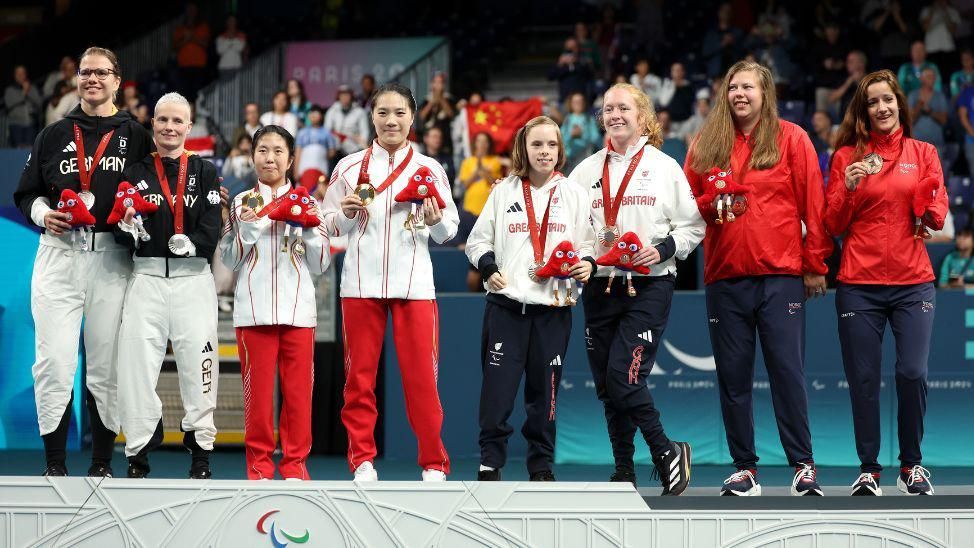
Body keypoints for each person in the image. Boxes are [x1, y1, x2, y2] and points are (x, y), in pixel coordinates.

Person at [685, 61, 832, 497]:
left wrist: (815, 265)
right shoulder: (706, 144)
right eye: (732, 87)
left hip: (780, 275)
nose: (739, 94)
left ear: (765, 92)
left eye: (747, 87)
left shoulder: (792, 138)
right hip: (725, 276)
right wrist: (711, 203)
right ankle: (745, 468)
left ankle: (803, 465)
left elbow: (814, 207)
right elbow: (688, 205)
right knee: (733, 377)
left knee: (787, 372)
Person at [12, 47, 152, 477]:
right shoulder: (53, 133)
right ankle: (55, 464)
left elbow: (151, 193)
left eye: (101, 72)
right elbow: (26, 192)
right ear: (77, 80)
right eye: (85, 72)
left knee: (106, 364)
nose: (92, 78)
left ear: (117, 80)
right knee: (53, 361)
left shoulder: (137, 134)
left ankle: (101, 465)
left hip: (111, 257)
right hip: (59, 255)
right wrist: (42, 213)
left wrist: (134, 221)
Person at [570, 83, 704, 494]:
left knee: (624, 377)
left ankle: (665, 451)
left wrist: (662, 248)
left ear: (643, 116)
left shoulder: (665, 167)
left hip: (648, 286)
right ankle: (624, 469)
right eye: (608, 108)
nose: (615, 115)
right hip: (599, 287)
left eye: (623, 108)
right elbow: (572, 229)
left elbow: (693, 226)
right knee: (609, 387)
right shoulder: (585, 170)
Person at [321, 83, 458, 481]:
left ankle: (434, 463)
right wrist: (345, 215)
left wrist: (435, 222)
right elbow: (327, 224)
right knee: (358, 379)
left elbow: (449, 229)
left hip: (414, 285)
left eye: (399, 112)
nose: (391, 120)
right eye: (383, 112)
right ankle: (362, 459)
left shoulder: (429, 168)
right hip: (360, 285)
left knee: (421, 380)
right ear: (372, 117)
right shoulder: (347, 167)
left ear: (412, 118)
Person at [825, 69, 948, 496]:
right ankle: (869, 469)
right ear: (864, 110)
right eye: (873, 101)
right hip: (858, 282)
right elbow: (833, 223)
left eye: (888, 100)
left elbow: (937, 212)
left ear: (899, 104)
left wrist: (930, 206)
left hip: (913, 282)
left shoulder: (924, 152)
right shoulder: (846, 158)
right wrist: (847, 186)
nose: (882, 107)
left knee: (912, 373)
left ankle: (911, 465)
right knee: (863, 379)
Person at [465, 116, 595, 481]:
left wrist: (587, 263)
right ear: (524, 148)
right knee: (497, 394)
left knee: (545, 396)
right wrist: (488, 266)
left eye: (551, 145)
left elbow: (588, 243)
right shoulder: (504, 191)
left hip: (553, 309)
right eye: (537, 144)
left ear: (560, 150)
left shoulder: (574, 194)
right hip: (506, 307)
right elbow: (477, 242)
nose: (544, 152)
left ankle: (540, 465)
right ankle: (491, 460)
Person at [115, 92, 222, 479]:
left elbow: (213, 220)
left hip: (193, 280)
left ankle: (200, 454)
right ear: (153, 124)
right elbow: (120, 223)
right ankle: (139, 449)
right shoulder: (135, 172)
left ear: (189, 126)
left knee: (200, 365)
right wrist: (127, 229)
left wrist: (194, 243)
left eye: (178, 121)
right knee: (135, 366)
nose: (169, 127)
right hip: (145, 279)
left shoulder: (205, 170)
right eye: (163, 120)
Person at [220, 125, 331, 480]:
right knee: (257, 400)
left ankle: (296, 466)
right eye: (263, 150)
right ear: (252, 157)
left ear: (291, 159)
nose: (270, 157)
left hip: (299, 311)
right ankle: (259, 468)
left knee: (299, 398)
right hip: (253, 312)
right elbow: (229, 259)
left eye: (278, 151)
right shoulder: (240, 203)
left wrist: (311, 230)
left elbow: (321, 263)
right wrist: (250, 228)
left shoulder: (310, 202)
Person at [459, 132, 503, 218]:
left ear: (489, 144)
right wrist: (477, 170)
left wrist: (481, 168)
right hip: (470, 208)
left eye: (485, 141)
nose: (482, 144)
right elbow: (465, 185)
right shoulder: (467, 161)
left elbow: (494, 183)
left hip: (488, 208)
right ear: (475, 143)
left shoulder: (495, 161)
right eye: (479, 141)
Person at [908, 68, 948, 159]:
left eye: (934, 76)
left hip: (936, 145)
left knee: (936, 172)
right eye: (929, 76)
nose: (932, 79)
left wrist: (931, 112)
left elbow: (944, 120)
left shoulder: (940, 96)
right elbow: (909, 120)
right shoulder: (913, 95)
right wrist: (918, 107)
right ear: (921, 79)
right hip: (917, 144)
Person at [294, 104, 338, 185]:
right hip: (304, 166)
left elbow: (332, 152)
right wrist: (296, 171)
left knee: (319, 188)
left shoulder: (327, 132)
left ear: (321, 116)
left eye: (316, 113)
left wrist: (320, 155)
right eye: (311, 113)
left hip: (322, 166)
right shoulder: (302, 132)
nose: (313, 115)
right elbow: (298, 152)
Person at [324, 85, 369, 158]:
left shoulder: (359, 111)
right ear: (338, 96)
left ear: (351, 96)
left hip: (354, 149)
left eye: (347, 94)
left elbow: (364, 132)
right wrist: (331, 146)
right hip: (336, 149)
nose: (344, 97)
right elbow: (327, 130)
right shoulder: (332, 111)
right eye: (342, 94)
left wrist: (360, 149)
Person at [560, 92, 601, 174]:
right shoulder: (567, 120)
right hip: (570, 160)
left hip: (586, 158)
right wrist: (571, 135)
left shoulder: (589, 119)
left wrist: (582, 135)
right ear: (571, 104)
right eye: (576, 102)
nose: (579, 104)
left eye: (581, 101)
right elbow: (561, 140)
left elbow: (596, 139)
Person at [5, 65, 43, 147]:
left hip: (31, 125)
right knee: (18, 150)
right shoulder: (10, 90)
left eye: (22, 73)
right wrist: (24, 93)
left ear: (25, 75)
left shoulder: (32, 88)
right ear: (15, 76)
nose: (20, 75)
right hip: (16, 125)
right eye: (18, 73)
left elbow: (39, 103)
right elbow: (9, 104)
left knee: (30, 150)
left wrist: (28, 92)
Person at [418, 72, 456, 152]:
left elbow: (451, 114)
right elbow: (422, 116)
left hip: (445, 138)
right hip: (429, 139)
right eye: (436, 82)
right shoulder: (426, 100)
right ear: (432, 84)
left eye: (441, 82)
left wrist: (441, 98)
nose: (438, 85)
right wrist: (432, 101)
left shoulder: (449, 99)